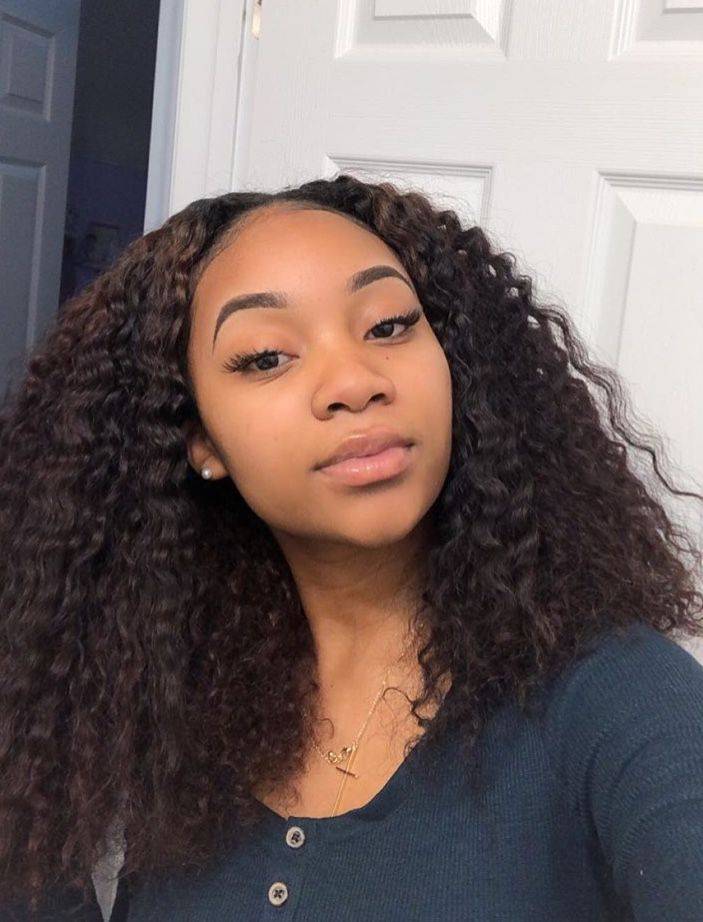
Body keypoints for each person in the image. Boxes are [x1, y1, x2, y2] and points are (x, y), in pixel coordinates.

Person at [1, 174, 702, 921]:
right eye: (266, 356)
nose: (353, 381)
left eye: (389, 325)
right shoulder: (170, 695)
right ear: (199, 439)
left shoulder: (622, 699)